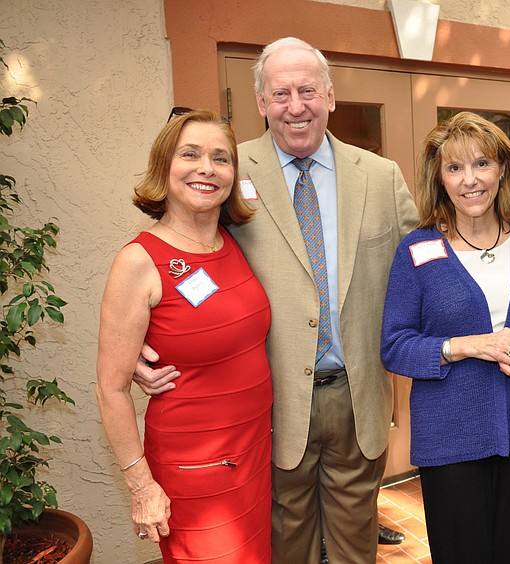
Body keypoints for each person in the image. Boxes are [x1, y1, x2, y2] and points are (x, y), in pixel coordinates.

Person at [134, 38, 418, 563]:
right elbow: (176, 252)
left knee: (358, 546)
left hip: (360, 400)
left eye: (307, 90)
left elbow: (426, 271)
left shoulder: (381, 177)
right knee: (287, 546)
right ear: (260, 103)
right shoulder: (223, 171)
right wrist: (140, 344)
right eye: (280, 93)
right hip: (268, 401)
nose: (295, 106)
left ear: (330, 96)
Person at [96, 109, 273, 562]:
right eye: (190, 154)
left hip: (251, 456)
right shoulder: (139, 261)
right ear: (164, 166)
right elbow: (111, 388)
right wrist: (142, 487)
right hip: (193, 469)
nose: (206, 168)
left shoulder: (230, 241)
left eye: (221, 158)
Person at [381, 111, 510, 563]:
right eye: (454, 168)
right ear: (439, 178)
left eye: (482, 164)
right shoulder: (417, 249)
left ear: (503, 170)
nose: (470, 180)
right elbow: (394, 346)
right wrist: (467, 345)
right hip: (450, 439)